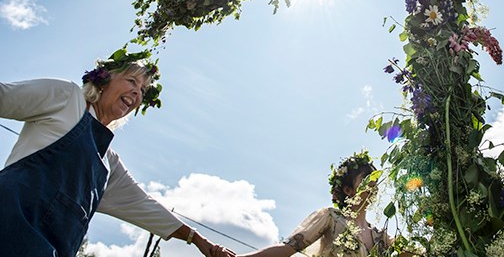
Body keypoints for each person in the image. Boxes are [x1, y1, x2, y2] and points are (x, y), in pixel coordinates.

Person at [0, 48, 233, 257]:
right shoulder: (67, 98)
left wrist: (199, 241)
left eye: (142, 89)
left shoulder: (108, 163)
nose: (137, 92)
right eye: (131, 80)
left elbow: (145, 205)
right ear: (103, 81)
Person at [211, 150, 416, 257]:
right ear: (348, 190)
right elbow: (285, 250)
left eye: (375, 180)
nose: (373, 185)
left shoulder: (380, 236)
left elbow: (414, 254)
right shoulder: (331, 218)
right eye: (366, 180)